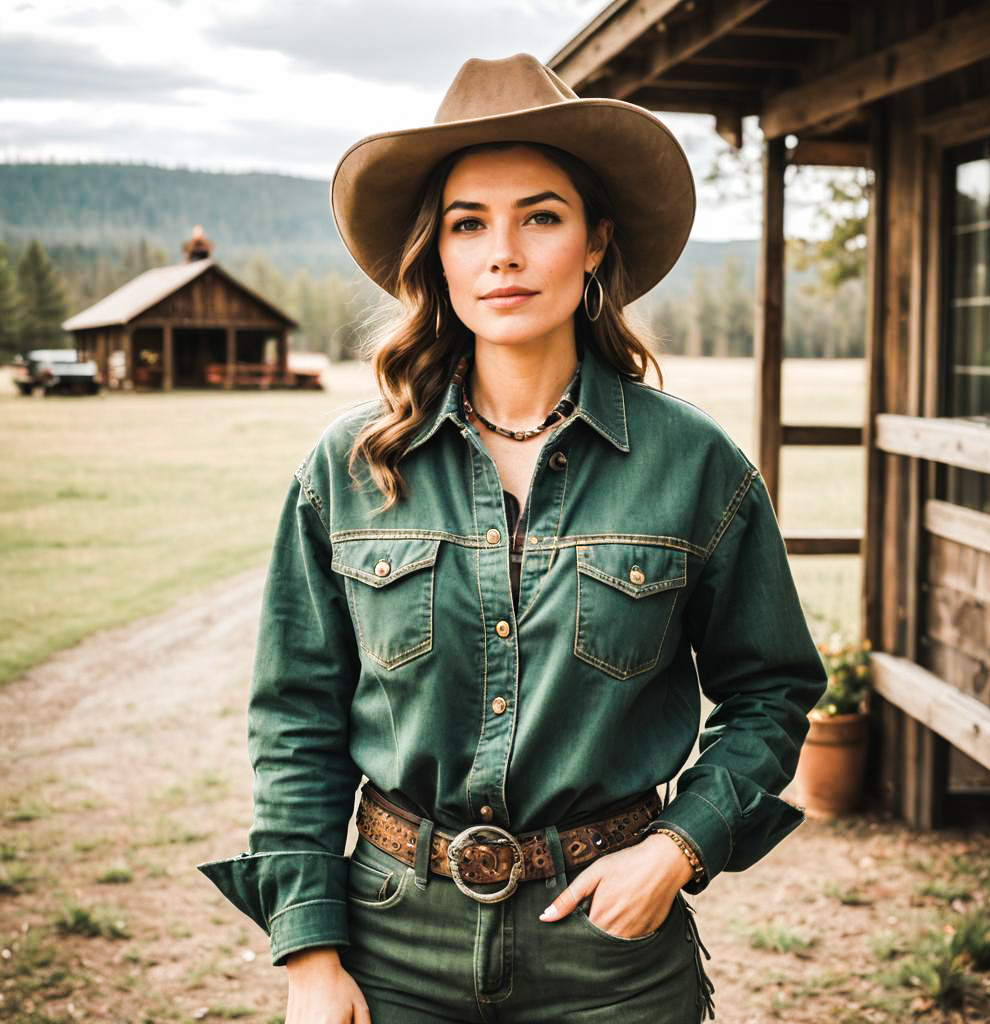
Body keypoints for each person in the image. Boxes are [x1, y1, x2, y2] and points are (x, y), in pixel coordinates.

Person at [197, 53, 828, 1024]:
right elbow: (296, 721)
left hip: (609, 958)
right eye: (467, 224)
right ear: (436, 256)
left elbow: (772, 691)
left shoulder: (696, 465)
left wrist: (677, 846)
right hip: (391, 941)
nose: (503, 252)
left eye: (540, 216)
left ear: (592, 243)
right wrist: (310, 956)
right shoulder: (348, 470)